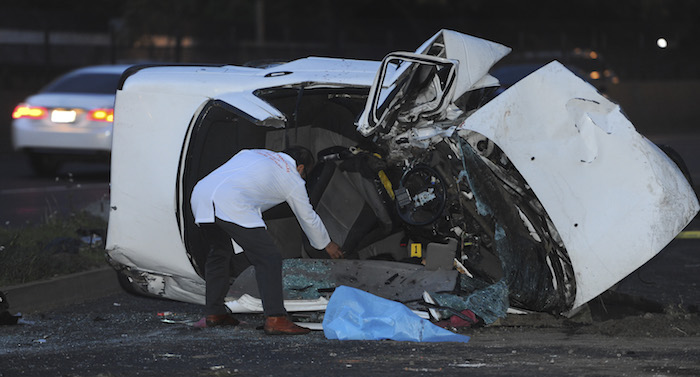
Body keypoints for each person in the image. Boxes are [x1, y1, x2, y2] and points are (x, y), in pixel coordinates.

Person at [190, 146, 343, 334]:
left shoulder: (253, 153)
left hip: (201, 195)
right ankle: (276, 318)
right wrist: (326, 244)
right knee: (269, 257)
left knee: (219, 253)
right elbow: (307, 217)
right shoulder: (291, 176)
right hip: (231, 200)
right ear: (301, 168)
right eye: (304, 175)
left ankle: (215, 314)